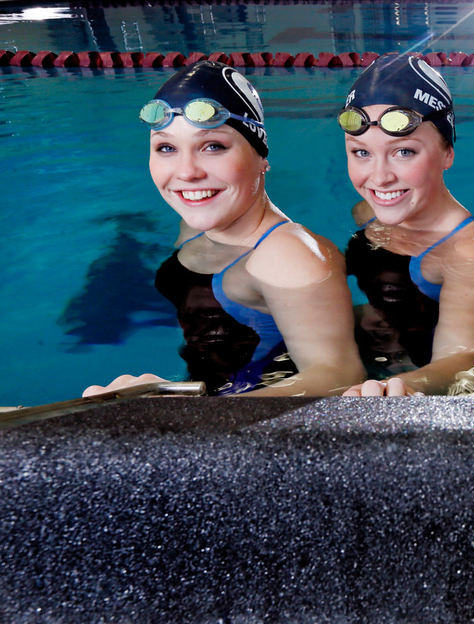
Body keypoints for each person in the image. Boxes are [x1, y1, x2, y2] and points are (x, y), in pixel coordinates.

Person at [83, 61, 364, 397]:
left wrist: (185, 410)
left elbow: (338, 377)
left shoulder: (289, 254)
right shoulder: (197, 221)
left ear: (262, 158)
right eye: (166, 148)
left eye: (213, 146)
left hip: (249, 430)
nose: (187, 173)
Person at [340, 53, 474, 396]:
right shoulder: (368, 213)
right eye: (361, 153)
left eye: (404, 152)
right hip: (409, 348)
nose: (379, 177)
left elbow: (468, 358)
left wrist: (402, 385)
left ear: (447, 153)